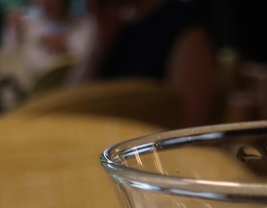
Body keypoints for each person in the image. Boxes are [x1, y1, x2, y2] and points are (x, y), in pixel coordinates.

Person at [81, 0, 216, 126]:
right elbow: (73, 103)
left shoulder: (186, 28)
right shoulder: (113, 27)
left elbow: (189, 123)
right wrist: (100, 45)